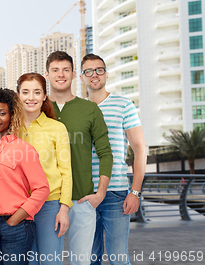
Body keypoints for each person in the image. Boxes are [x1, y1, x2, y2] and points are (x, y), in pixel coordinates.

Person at [45, 51, 113, 265]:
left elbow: (105, 153)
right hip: (47, 200)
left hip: (82, 199)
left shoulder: (89, 109)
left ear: (74, 74)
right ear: (47, 74)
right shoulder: (38, 108)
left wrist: (100, 193)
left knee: (81, 262)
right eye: (55, 70)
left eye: (66, 70)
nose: (61, 74)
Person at [0, 87, 50, 265]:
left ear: (11, 115)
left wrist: (16, 218)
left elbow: (42, 188)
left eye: (2, 113)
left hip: (16, 226)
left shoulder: (23, 149)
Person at [80, 54, 146, 265]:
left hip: (116, 193)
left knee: (118, 258)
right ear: (82, 78)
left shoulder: (123, 104)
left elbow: (139, 149)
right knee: (90, 259)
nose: (94, 75)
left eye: (99, 70)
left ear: (106, 74)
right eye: (88, 71)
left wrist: (135, 192)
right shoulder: (77, 110)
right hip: (85, 194)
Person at [16, 73, 72, 265]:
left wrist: (64, 209)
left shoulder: (57, 128)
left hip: (50, 205)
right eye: (25, 92)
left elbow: (66, 171)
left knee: (50, 261)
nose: (31, 97)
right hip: (19, 207)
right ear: (18, 95)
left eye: (36, 92)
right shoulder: (10, 129)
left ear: (44, 96)